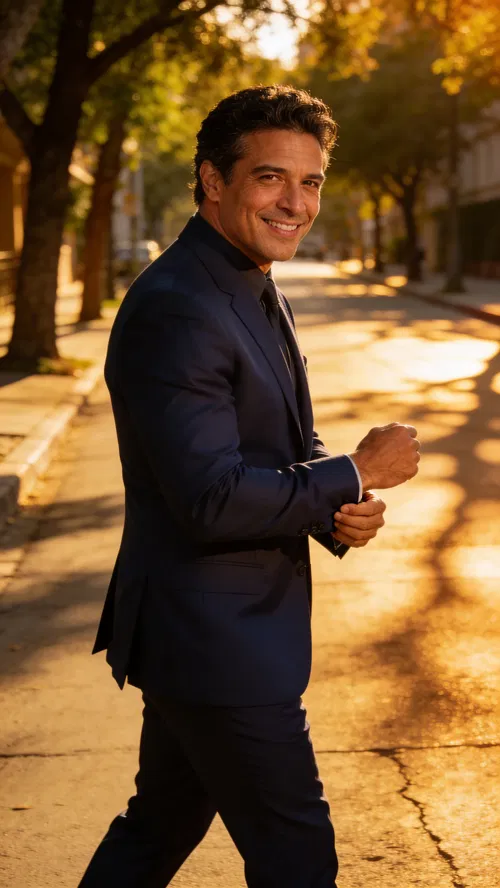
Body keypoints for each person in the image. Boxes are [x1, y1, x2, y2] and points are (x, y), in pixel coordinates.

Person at [78, 85, 420, 888]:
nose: (295, 202)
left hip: (208, 635)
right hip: (213, 641)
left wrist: (340, 507)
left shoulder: (249, 279)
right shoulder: (181, 306)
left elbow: (276, 444)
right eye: (271, 178)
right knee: (298, 858)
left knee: (156, 829)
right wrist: (355, 470)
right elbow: (210, 497)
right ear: (212, 180)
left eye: (310, 182)